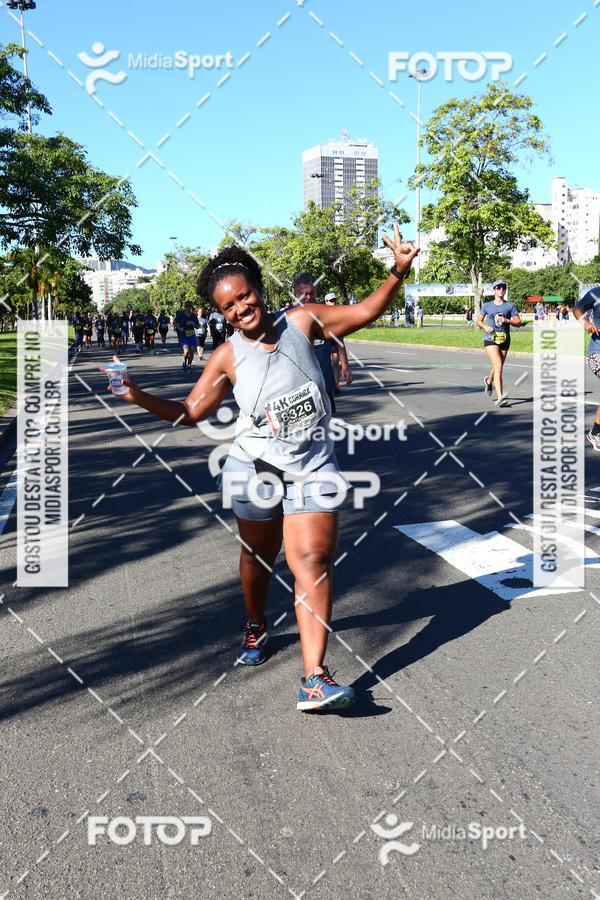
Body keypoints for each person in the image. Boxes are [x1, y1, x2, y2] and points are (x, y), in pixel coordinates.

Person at [109, 230, 419, 711]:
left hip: (314, 466)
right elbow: (191, 412)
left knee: (312, 561)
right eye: (228, 305)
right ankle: (256, 624)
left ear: (260, 289)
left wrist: (397, 271)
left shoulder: (303, 320)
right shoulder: (227, 356)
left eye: (245, 295)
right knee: (258, 560)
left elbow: (363, 312)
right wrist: (137, 397)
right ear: (221, 312)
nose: (240, 308)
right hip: (255, 470)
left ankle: (314, 677)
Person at [292, 275, 339, 412]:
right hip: (299, 391)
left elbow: (337, 343)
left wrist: (345, 365)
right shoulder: (285, 320)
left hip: (324, 383)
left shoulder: (325, 317)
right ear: (296, 294)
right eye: (304, 294)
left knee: (328, 425)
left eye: (311, 293)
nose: (308, 297)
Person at [476, 279, 522, 407]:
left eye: (503, 287)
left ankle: (489, 381)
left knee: (498, 366)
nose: (501, 289)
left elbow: (518, 323)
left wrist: (507, 320)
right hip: (490, 339)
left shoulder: (510, 306)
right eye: (498, 287)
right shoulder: (487, 305)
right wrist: (485, 327)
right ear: (494, 290)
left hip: (505, 340)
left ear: (505, 290)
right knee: (499, 366)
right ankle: (501, 397)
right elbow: (478, 321)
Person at [574, 287, 600, 450]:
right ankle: (595, 433)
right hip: (597, 352)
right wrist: (586, 322)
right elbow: (577, 308)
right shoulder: (596, 293)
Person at [323, 292, 352, 395]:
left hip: (336, 338)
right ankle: (326, 384)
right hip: (325, 338)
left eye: (334, 300)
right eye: (331, 301)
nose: (333, 303)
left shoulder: (338, 311)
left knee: (336, 361)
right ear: (326, 302)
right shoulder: (322, 312)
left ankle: (336, 385)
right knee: (326, 362)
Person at [174, 302, 200, 375]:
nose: (188, 308)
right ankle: (184, 362)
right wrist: (179, 328)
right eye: (187, 306)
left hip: (191, 335)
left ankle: (189, 365)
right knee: (186, 351)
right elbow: (174, 323)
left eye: (189, 306)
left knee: (191, 351)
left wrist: (193, 323)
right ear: (184, 307)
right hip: (183, 335)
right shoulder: (180, 315)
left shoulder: (194, 316)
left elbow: (198, 327)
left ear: (191, 307)